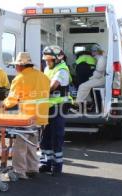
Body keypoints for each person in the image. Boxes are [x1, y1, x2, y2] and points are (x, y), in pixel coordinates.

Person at [3, 52, 50, 179]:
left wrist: (2, 105)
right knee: (32, 143)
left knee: (20, 145)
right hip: (41, 117)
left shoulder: (20, 78)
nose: (15, 68)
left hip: (27, 118)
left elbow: (11, 100)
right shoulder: (43, 77)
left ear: (20, 65)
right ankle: (32, 168)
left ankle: (19, 171)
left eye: (16, 66)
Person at [40, 45, 72, 176]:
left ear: (57, 59)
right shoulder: (49, 68)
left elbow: (52, 86)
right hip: (49, 107)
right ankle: (46, 163)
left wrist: (36, 92)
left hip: (59, 108)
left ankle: (57, 166)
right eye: (46, 59)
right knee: (45, 137)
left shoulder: (62, 70)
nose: (47, 62)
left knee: (56, 137)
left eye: (49, 60)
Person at [76, 45, 107, 110]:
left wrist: (90, 78)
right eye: (92, 51)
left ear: (97, 51)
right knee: (85, 85)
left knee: (83, 86)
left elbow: (99, 74)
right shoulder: (99, 58)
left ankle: (79, 104)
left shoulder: (101, 59)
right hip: (100, 78)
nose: (92, 52)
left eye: (93, 51)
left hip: (101, 79)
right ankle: (88, 103)